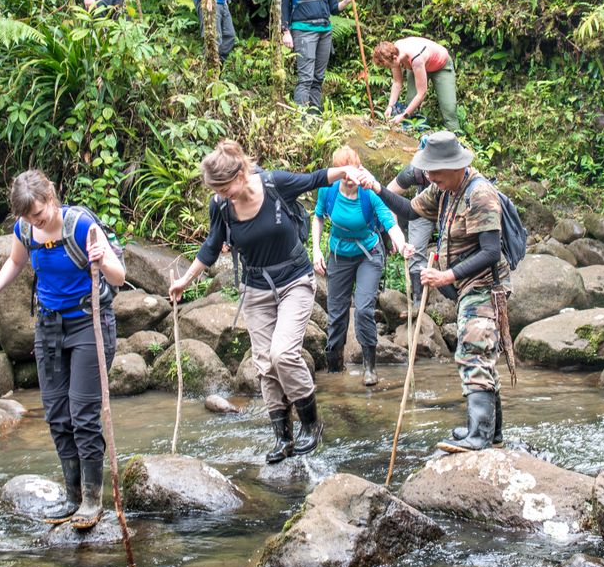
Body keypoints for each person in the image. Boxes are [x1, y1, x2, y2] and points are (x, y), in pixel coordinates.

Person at [168, 140, 369, 463]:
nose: (221, 195)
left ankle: (311, 424)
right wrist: (184, 281)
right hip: (255, 290)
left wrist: (346, 170)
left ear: (240, 174)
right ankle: (282, 437)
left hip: (295, 282)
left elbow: (314, 178)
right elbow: (211, 246)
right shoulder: (220, 206)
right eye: (216, 190)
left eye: (224, 188)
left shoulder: (275, 183)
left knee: (283, 354)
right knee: (265, 365)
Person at [0, 170, 127, 527]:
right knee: (58, 415)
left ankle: (92, 500)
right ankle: (72, 496)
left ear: (51, 198)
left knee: (83, 415)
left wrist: (102, 258)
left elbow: (119, 276)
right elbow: (15, 261)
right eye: (28, 217)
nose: (35, 222)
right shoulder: (25, 230)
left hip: (88, 324)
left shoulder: (81, 225)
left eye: (38, 214)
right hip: (49, 327)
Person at [366, 132, 508, 452]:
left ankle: (480, 435)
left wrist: (446, 276)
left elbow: (491, 252)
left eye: (434, 172)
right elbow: (410, 210)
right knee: (479, 350)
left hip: (486, 284)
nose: (429, 177)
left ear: (455, 166)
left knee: (473, 349)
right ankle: (491, 432)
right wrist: (377, 189)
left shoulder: (480, 194)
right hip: (465, 284)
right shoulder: (443, 188)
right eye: (427, 172)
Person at [312, 147, 409, 386]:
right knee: (336, 315)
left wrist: (402, 244)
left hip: (369, 254)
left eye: (353, 171)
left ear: (360, 168)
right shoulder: (327, 190)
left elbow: (389, 222)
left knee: (364, 309)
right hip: (339, 255)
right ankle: (335, 369)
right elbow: (318, 217)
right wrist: (316, 249)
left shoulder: (369, 192)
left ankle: (369, 367)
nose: (350, 178)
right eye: (344, 173)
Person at [279, 0, 357, 110]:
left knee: (318, 77)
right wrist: (285, 31)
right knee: (305, 78)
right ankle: (301, 116)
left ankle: (314, 113)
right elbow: (283, 5)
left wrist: (347, 0)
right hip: (303, 31)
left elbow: (333, 8)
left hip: (325, 32)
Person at [373, 36, 459, 132]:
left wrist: (403, 116)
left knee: (449, 109)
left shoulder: (415, 59)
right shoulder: (392, 54)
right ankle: (410, 131)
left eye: (388, 66)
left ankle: (455, 135)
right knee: (410, 102)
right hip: (418, 65)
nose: (389, 68)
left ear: (395, 58)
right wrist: (390, 106)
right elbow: (397, 82)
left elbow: (421, 93)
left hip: (440, 65)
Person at [386, 159, 434, 304]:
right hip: (424, 205)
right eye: (428, 173)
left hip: (453, 204)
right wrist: (395, 230)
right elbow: (390, 192)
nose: (431, 176)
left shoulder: (457, 170)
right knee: (415, 249)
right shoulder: (414, 172)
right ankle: (418, 300)